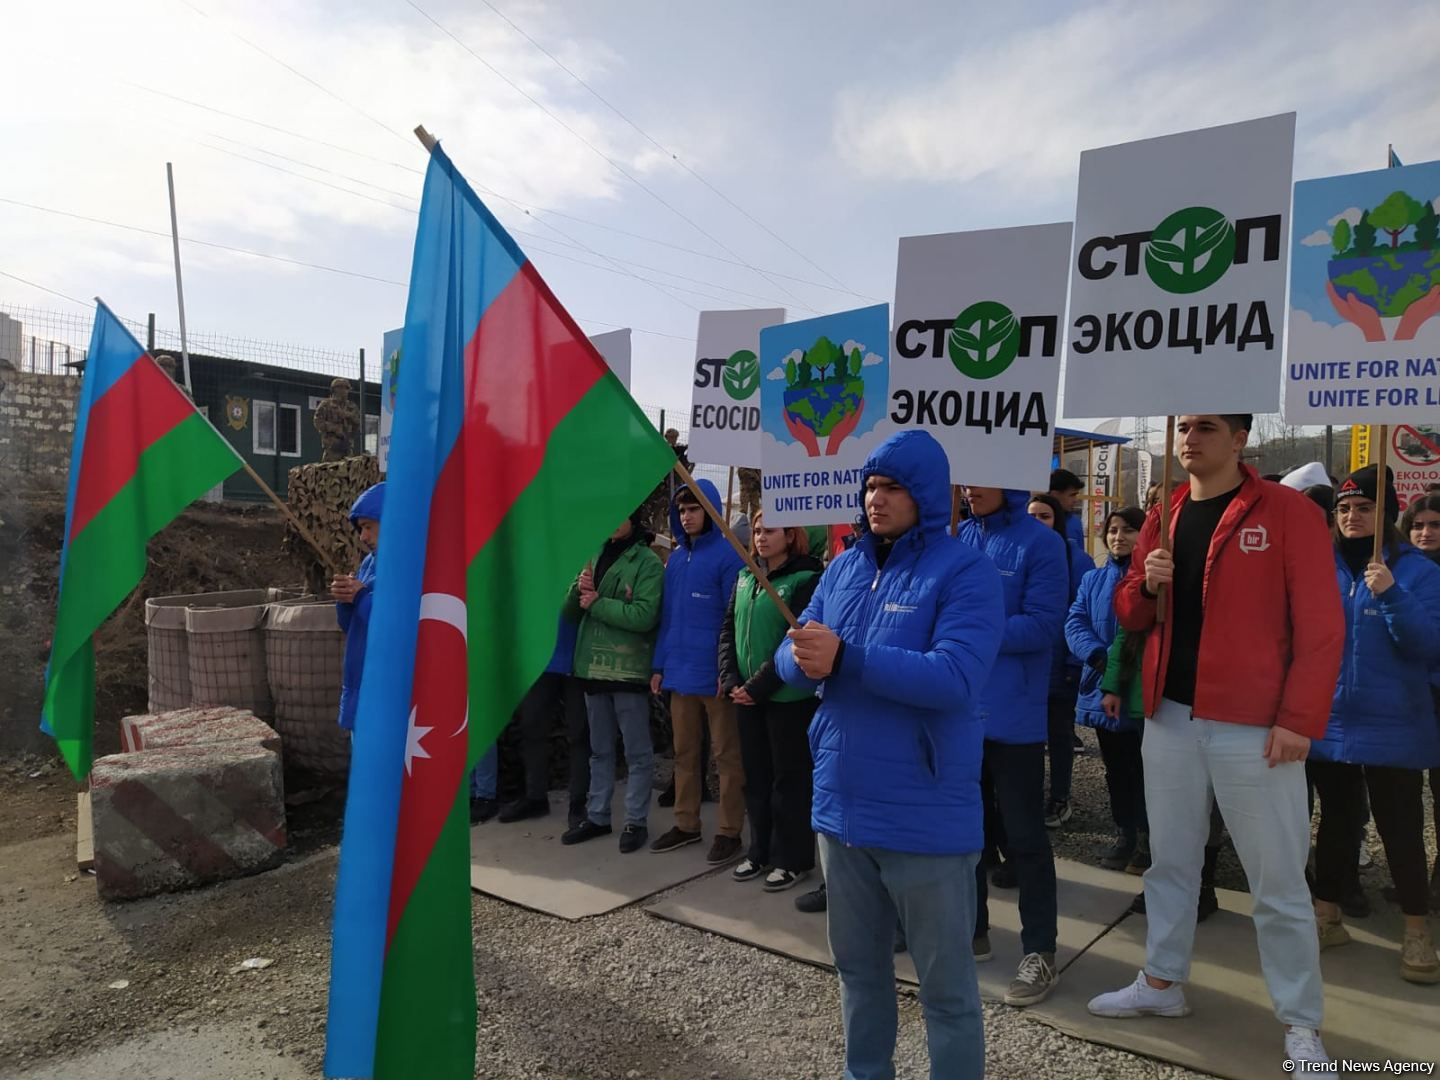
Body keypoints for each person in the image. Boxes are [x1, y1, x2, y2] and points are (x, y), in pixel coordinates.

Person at [1086, 414, 1344, 1072]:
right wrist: (1146, 582)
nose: (1189, 439)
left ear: (1239, 439)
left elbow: (1320, 626)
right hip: (1169, 717)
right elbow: (1128, 610)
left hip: (1255, 725)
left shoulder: (1287, 512)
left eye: (1206, 428)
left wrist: (1298, 718)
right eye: (1185, 428)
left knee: (1277, 881)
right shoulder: (1164, 514)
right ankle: (1163, 983)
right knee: (1170, 862)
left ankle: (1301, 1024)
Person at [775, 429, 1004, 1079]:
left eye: (893, 486)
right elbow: (792, 659)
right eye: (871, 484)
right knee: (858, 974)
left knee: (948, 994)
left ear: (927, 494)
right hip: (842, 811)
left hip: (924, 817)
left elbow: (956, 677)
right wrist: (799, 656)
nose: (877, 497)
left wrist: (847, 658)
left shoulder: (966, 572)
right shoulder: (844, 568)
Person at [1310, 466, 1440, 983]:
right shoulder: (1322, 567)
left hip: (1395, 722)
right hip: (1332, 719)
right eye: (1343, 509)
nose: (1351, 517)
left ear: (1385, 515)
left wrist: (1390, 594)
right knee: (1337, 822)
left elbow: (1427, 646)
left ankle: (1416, 930)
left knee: (1400, 827)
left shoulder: (1418, 573)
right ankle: (1327, 915)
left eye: (1363, 508)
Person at [958, 485, 1068, 1006]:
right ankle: (972, 931)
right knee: (967, 834)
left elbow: (1045, 625)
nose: (967, 489)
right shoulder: (958, 536)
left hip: (1015, 715)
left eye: (978, 478)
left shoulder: (1040, 543)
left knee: (1024, 837)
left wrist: (976, 629)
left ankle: (1040, 951)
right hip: (959, 711)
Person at [718, 511, 822, 891]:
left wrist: (758, 686)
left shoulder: (806, 579)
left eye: (770, 531)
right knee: (756, 778)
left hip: (787, 698)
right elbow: (728, 628)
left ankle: (791, 858)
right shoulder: (746, 576)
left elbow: (795, 640)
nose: (761, 537)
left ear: (791, 535)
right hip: (747, 696)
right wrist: (731, 679)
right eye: (758, 531)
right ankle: (758, 850)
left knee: (788, 781)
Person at [650, 481, 746, 863]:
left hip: (716, 675)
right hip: (679, 673)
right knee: (684, 753)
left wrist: (730, 670)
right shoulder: (674, 559)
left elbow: (735, 620)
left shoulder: (729, 556)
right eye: (683, 510)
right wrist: (659, 665)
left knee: (727, 756)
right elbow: (668, 618)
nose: (687, 516)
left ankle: (729, 830)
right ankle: (686, 824)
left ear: (710, 510)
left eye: (694, 509)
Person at [561, 509, 665, 854]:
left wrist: (598, 602)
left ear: (634, 519)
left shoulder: (647, 562)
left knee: (637, 752)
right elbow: (571, 612)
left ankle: (635, 820)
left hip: (627, 670)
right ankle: (597, 815)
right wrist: (579, 589)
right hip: (592, 667)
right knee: (599, 750)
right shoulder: (593, 552)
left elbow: (645, 615)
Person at [1067, 507, 1148, 872]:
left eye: (1129, 530)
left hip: (1138, 689)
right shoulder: (1093, 580)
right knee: (1115, 768)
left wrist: (1122, 666)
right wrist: (1096, 655)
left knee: (1144, 768)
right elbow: (1075, 621)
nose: (1119, 537)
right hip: (1100, 687)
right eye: (1113, 530)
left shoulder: (1150, 580)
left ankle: (1148, 836)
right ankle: (1125, 831)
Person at [1028, 492, 1095, 829]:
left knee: (1059, 735)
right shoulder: (1023, 554)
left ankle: (1061, 797)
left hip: (1059, 666)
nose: (1037, 522)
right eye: (1032, 516)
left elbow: (1083, 614)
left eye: (1045, 516)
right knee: (1028, 737)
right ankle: (1032, 795)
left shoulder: (1076, 559)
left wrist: (1073, 662)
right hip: (1027, 667)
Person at [497, 615, 587, 826]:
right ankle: (535, 797)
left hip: (579, 659)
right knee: (531, 727)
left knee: (579, 733)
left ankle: (578, 802)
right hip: (541, 660)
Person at [1402, 493, 1440, 913]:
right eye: (1418, 526)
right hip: (1413, 697)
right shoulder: (1397, 571)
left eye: (1434, 525)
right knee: (1407, 799)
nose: (1425, 533)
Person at [333, 482, 384, 733]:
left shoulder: (412, 565)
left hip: (385, 688)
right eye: (360, 528)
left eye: (368, 527)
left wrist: (361, 596)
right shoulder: (368, 562)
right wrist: (345, 601)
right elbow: (351, 626)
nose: (363, 537)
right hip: (360, 681)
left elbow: (394, 625)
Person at [314, 377, 361, 461]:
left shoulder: (352, 407)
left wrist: (350, 417)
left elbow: (358, 424)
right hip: (332, 447)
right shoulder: (326, 405)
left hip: (347, 446)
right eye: (341, 388)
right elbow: (318, 422)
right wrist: (334, 428)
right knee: (330, 470)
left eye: (346, 389)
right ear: (335, 390)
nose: (344, 391)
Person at [1049, 468, 1087, 548]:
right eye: (1072, 495)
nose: (1076, 500)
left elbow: (1079, 556)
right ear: (1054, 494)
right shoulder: (1036, 519)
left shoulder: (1075, 522)